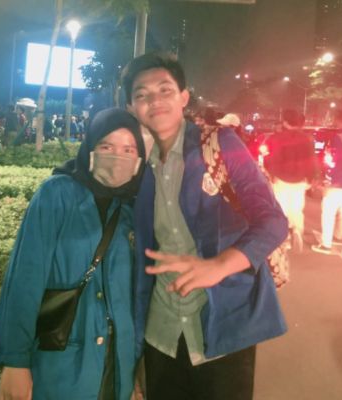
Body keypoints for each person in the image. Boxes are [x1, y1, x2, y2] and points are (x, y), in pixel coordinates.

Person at [121, 52, 288, 400]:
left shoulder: (220, 144)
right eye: (142, 94)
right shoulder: (137, 166)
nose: (155, 100)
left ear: (184, 97)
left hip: (224, 327)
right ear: (132, 107)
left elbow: (273, 221)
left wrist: (219, 265)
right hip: (161, 333)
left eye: (165, 90)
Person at [0, 108, 146, 400]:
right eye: (107, 147)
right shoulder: (57, 194)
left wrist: (135, 368)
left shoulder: (133, 209)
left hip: (118, 367)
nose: (118, 157)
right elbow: (25, 279)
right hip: (61, 367)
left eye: (129, 149)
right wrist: (15, 361)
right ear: (90, 149)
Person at [264, 109, 318, 251]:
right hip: (300, 180)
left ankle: (285, 237)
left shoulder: (277, 138)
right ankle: (297, 230)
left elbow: (272, 158)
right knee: (297, 208)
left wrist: (271, 174)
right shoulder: (307, 139)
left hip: (281, 178)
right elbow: (312, 159)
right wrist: (311, 178)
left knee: (282, 209)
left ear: (285, 122)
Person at [312, 109, 342, 256]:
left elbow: (336, 162)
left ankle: (326, 244)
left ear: (339, 120)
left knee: (328, 213)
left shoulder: (339, 138)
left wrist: (330, 181)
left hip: (339, 183)